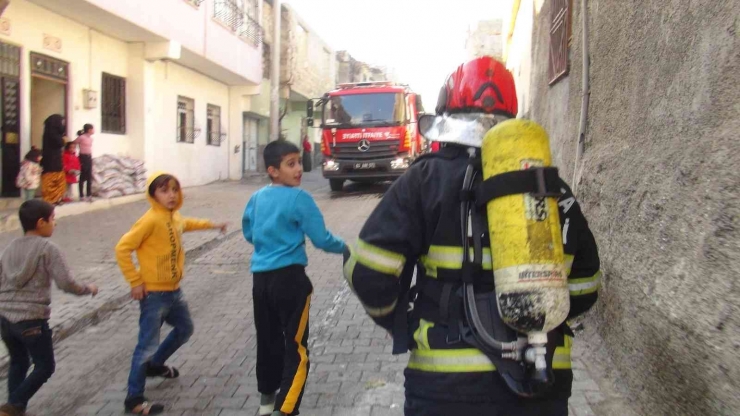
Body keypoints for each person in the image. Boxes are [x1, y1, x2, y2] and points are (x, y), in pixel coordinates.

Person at [342, 56, 602, 415]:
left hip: (447, 387)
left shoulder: (423, 181)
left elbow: (368, 274)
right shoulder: (552, 189)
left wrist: (398, 321)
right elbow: (586, 287)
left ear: (447, 112)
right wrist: (535, 310)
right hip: (541, 381)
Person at [242, 140, 346, 416]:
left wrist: (270, 242)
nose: (299, 169)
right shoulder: (300, 199)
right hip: (290, 282)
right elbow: (322, 239)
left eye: (299, 162)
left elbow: (249, 233)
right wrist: (346, 248)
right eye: (291, 164)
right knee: (296, 347)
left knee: (267, 341)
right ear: (273, 170)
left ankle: (266, 403)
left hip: (260, 282)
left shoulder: (257, 198)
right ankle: (286, 409)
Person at [115, 172, 228, 415]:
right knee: (146, 345)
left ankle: (155, 365)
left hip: (174, 291)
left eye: (175, 190)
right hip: (154, 294)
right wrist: (135, 281)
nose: (171, 195)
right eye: (165, 191)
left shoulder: (173, 217)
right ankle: (134, 400)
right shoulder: (150, 220)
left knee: (185, 329)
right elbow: (123, 248)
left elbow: (187, 223)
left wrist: (213, 224)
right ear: (153, 194)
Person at [0, 200, 98, 416]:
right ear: (41, 222)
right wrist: (87, 288)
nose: (55, 224)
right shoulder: (48, 249)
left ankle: (15, 409)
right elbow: (66, 282)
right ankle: (12, 406)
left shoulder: (9, 249)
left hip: (5, 320)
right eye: (53, 219)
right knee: (45, 366)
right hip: (31, 320)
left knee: (19, 361)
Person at [40, 115, 67, 205]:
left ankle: (55, 198)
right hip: (52, 161)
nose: (63, 125)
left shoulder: (50, 132)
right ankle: (51, 199)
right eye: (61, 122)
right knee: (52, 181)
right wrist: (64, 140)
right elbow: (59, 142)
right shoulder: (52, 134)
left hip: (54, 160)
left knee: (59, 180)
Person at [74, 124, 94, 202]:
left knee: (89, 176)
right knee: (82, 176)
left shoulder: (91, 139)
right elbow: (73, 143)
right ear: (89, 130)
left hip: (89, 157)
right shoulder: (81, 137)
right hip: (83, 157)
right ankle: (81, 195)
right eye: (92, 129)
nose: (93, 131)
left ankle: (89, 194)